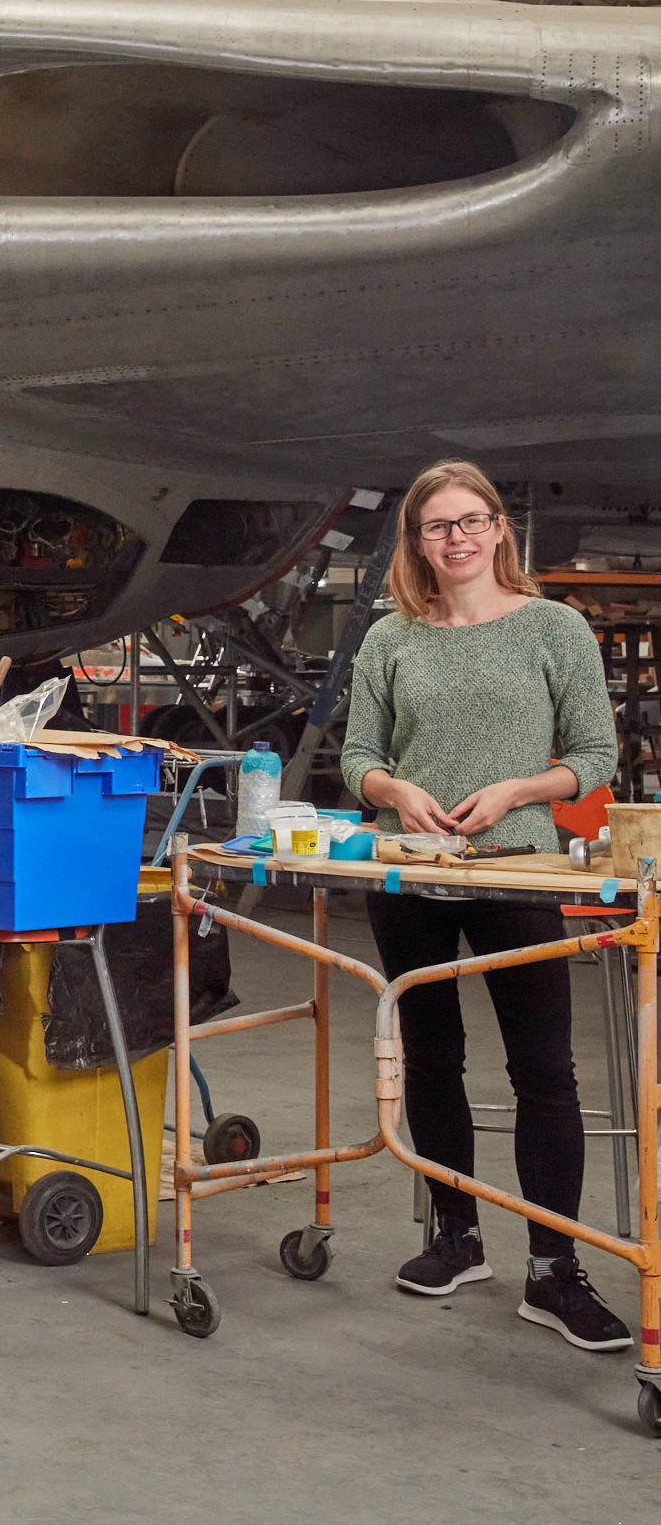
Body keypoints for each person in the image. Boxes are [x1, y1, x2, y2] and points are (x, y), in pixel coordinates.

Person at [341, 459, 628, 1350]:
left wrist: (515, 792)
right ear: (417, 542)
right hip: (415, 867)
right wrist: (393, 791)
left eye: (472, 521)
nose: (457, 538)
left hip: (519, 870)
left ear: (500, 528)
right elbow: (357, 756)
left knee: (544, 1067)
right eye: (439, 526)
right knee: (430, 1058)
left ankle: (555, 1267)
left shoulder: (555, 628)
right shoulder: (390, 637)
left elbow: (595, 753)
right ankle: (456, 1237)